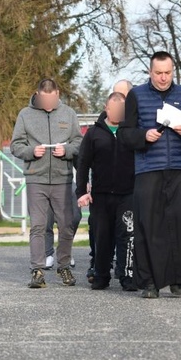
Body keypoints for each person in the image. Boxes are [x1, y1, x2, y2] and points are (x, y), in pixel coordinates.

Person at [118, 51, 181, 298]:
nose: (163, 78)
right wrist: (143, 136)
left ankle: (179, 279)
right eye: (159, 73)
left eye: (168, 73)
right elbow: (124, 134)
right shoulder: (136, 95)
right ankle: (149, 282)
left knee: (179, 222)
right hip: (148, 169)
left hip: (179, 168)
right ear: (150, 72)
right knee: (149, 225)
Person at [10, 78, 83, 288]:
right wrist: (31, 152)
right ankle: (37, 270)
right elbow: (16, 145)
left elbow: (79, 142)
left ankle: (64, 266)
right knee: (38, 226)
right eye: (45, 100)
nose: (49, 104)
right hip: (36, 179)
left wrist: (67, 150)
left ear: (58, 94)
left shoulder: (68, 114)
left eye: (52, 100)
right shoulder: (25, 114)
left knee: (66, 225)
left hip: (63, 179)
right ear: (38, 95)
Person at [76, 92, 137, 291]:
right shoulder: (94, 133)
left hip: (127, 194)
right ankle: (101, 275)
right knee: (102, 237)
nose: (118, 113)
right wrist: (81, 191)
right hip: (100, 195)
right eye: (115, 109)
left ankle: (127, 276)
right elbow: (83, 162)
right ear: (107, 108)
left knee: (127, 236)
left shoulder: (130, 131)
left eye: (122, 110)